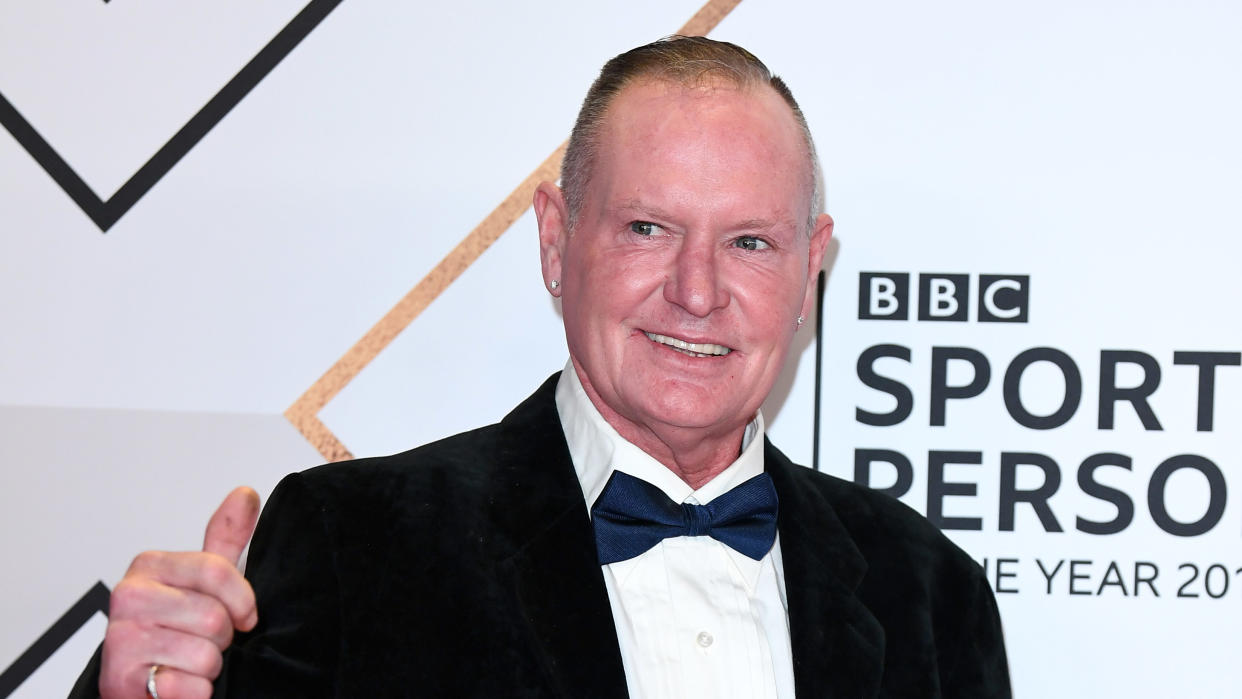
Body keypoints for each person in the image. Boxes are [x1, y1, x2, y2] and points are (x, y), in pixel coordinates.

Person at [72, 36, 1011, 698]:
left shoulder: (928, 591)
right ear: (556, 243)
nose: (697, 290)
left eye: (751, 243)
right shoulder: (352, 546)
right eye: (648, 227)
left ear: (810, 269)